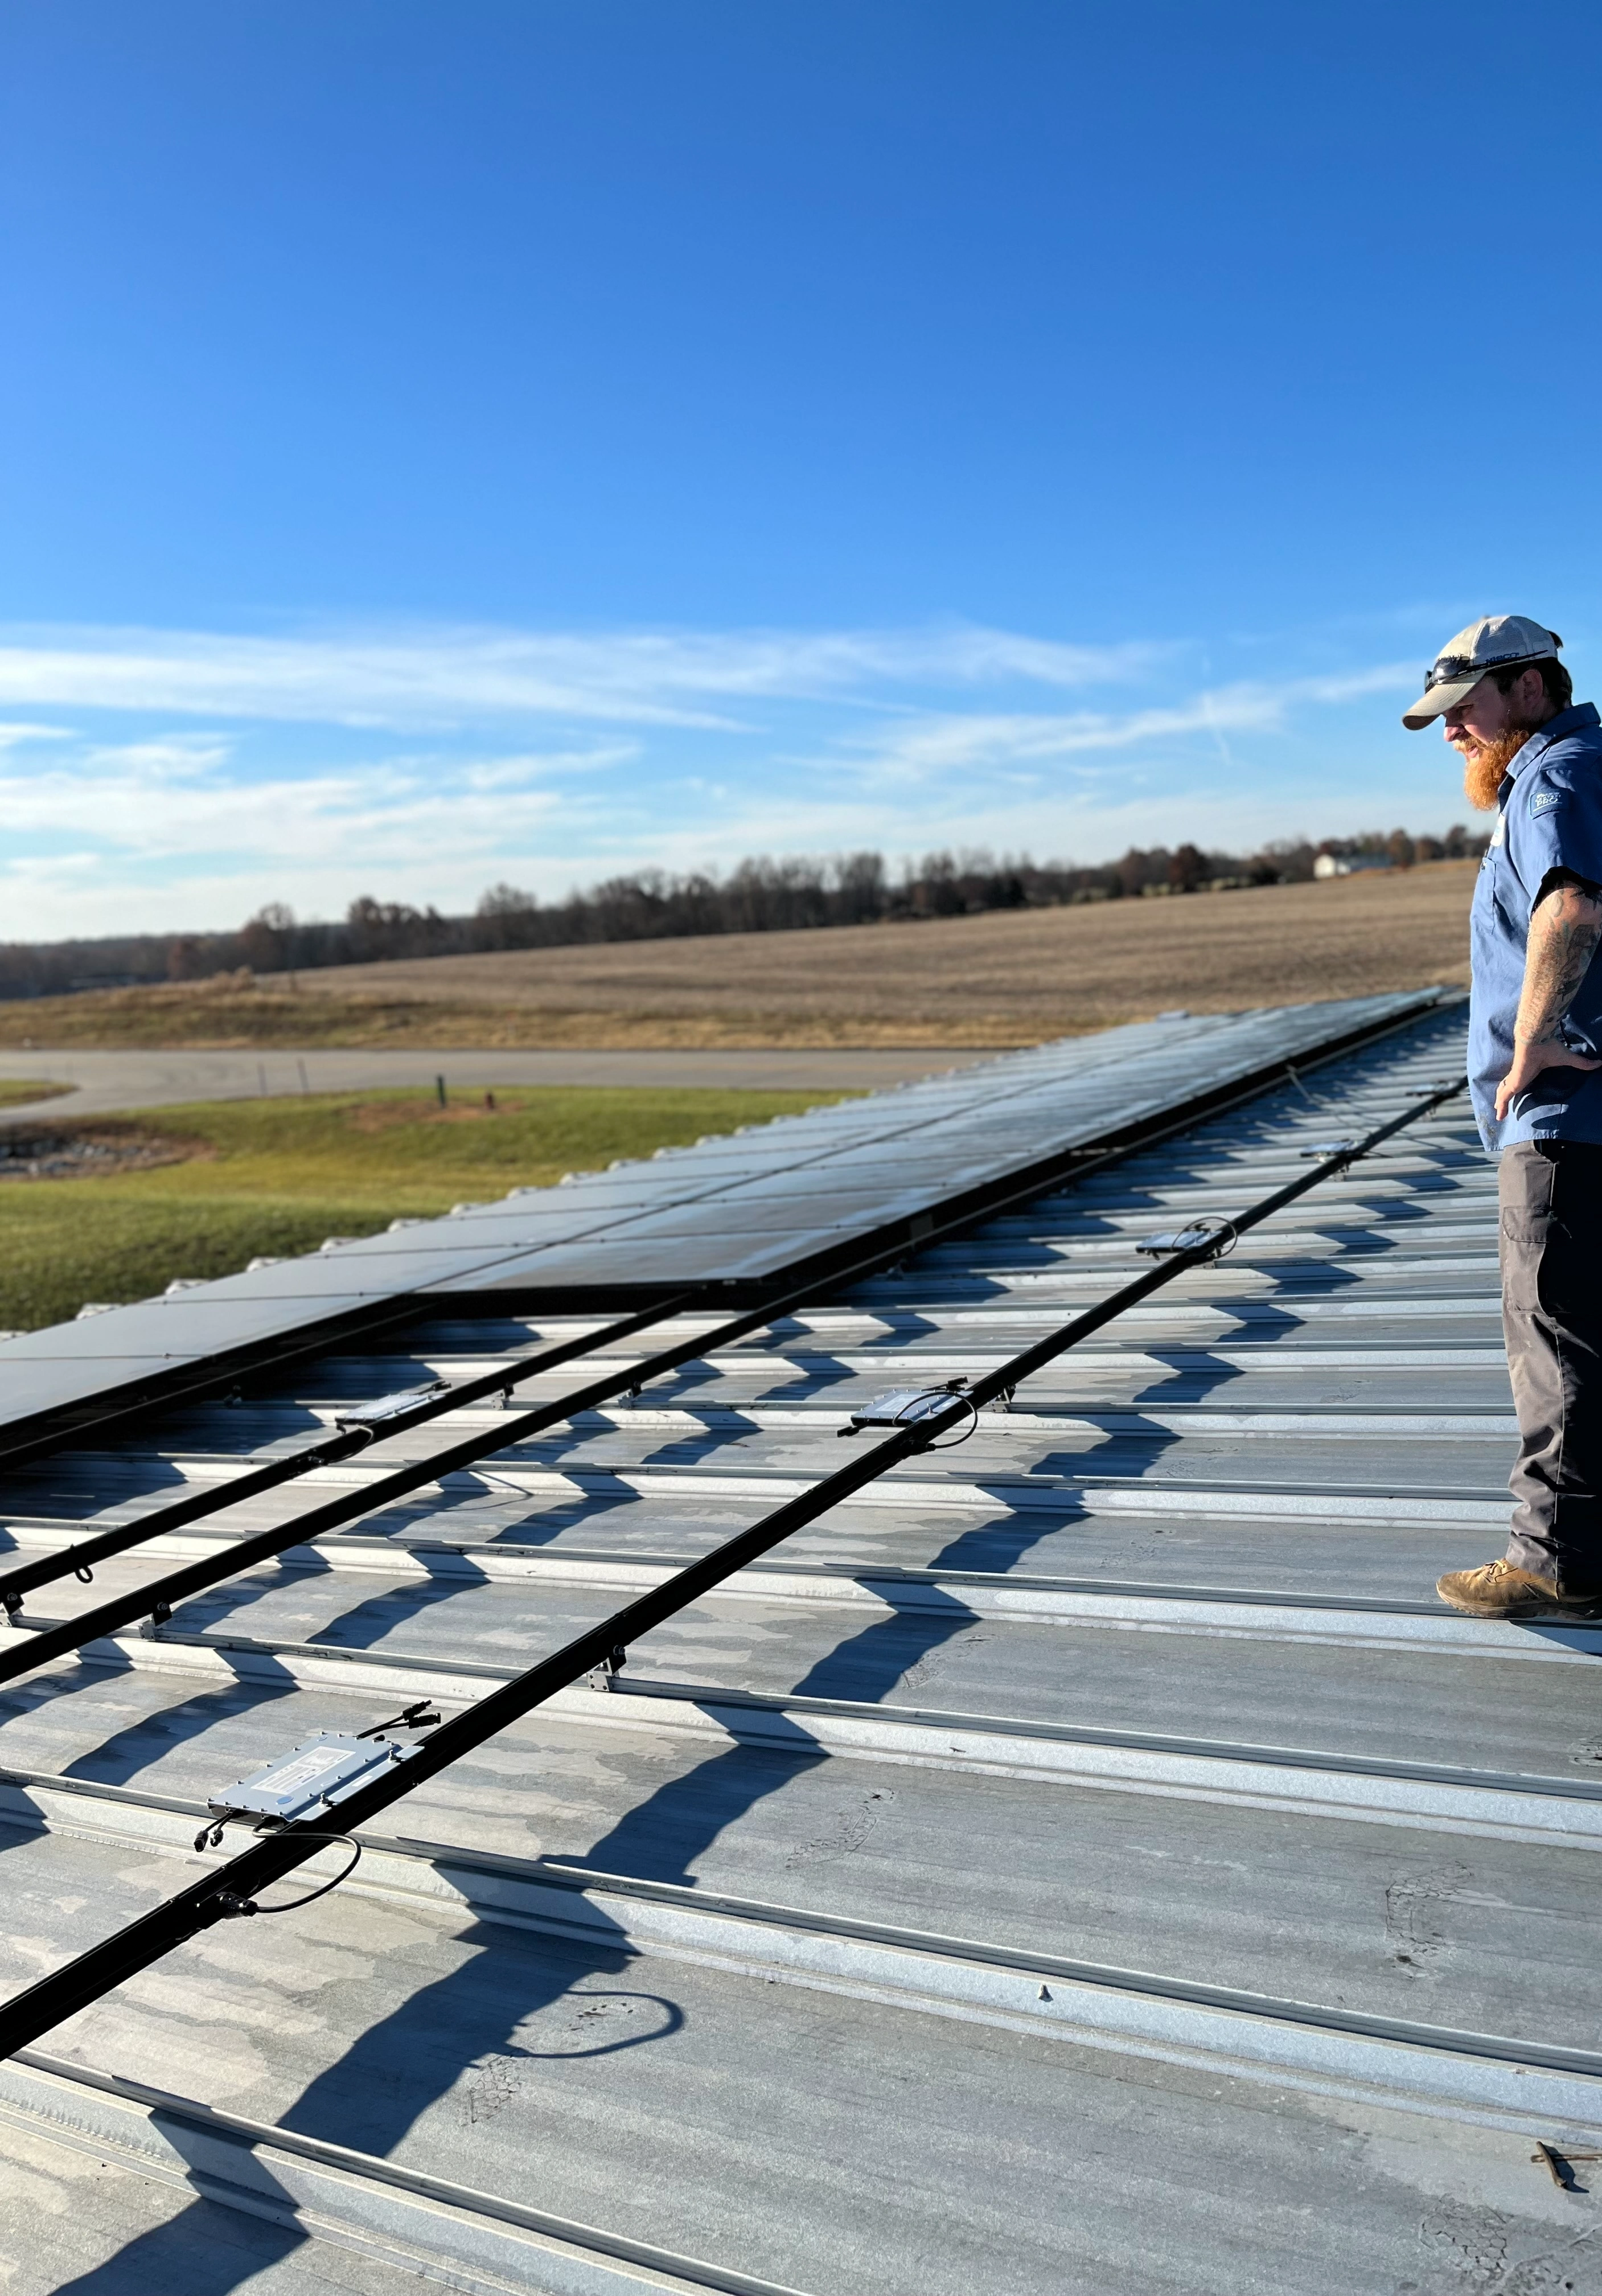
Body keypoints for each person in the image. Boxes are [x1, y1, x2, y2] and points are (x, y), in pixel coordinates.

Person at [1402, 614, 1602, 1619]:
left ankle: (1551, 1561)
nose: (1451, 735)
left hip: (1563, 1119)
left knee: (1552, 1340)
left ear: (1529, 689)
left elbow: (1569, 910)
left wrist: (1529, 1043)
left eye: (1463, 710)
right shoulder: (1581, 768)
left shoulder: (1552, 780)